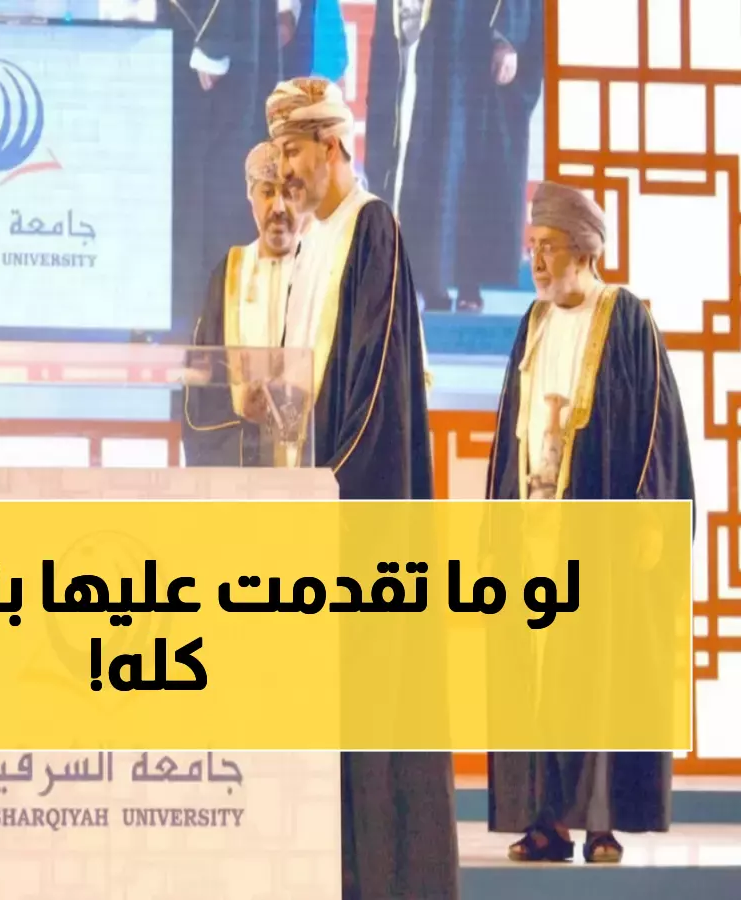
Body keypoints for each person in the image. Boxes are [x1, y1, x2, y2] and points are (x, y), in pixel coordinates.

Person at [262, 75, 459, 899]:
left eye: (295, 151)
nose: (286, 171)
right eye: (279, 155)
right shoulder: (310, 243)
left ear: (334, 143)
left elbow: (375, 388)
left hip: (359, 517)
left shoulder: (372, 228)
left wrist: (328, 493)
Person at [484, 181, 696, 863]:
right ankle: (545, 822)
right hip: (534, 534)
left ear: (583, 251)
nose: (538, 262)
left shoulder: (625, 317)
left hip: (597, 538)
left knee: (598, 677)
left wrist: (647, 517)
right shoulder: (533, 322)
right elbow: (510, 431)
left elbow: (659, 425)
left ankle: (601, 824)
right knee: (537, 678)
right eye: (532, 248)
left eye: (549, 248)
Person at [364, 0, 544, 311]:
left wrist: (509, 36)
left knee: (471, 161)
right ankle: (428, 278)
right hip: (430, 38)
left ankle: (469, 280)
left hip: (477, 38)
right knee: (427, 157)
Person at [157, 0, 284, 340]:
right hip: (207, 40)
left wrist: (213, 41)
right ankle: (208, 321)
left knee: (216, 188)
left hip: (213, 49)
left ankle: (212, 323)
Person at [183, 140, 304, 466]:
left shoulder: (324, 272)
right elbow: (201, 394)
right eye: (267, 192)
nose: (279, 207)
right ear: (251, 197)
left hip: (308, 467)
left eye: (289, 192)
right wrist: (245, 413)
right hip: (245, 468)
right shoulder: (229, 274)